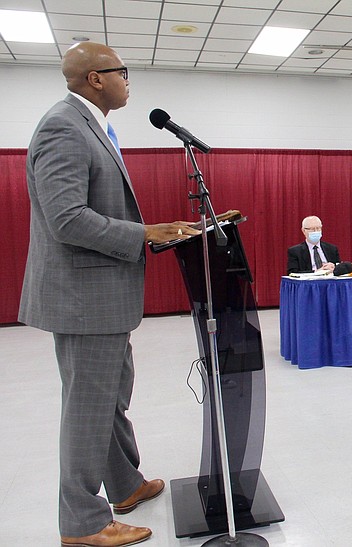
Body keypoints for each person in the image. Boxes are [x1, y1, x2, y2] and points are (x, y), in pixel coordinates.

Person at [17, 42, 201, 547]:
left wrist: (156, 233)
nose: (128, 80)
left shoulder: (91, 126)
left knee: (111, 399)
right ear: (95, 78)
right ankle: (83, 524)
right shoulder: (63, 126)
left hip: (100, 297)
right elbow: (67, 218)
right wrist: (144, 233)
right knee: (87, 409)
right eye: (123, 72)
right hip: (83, 300)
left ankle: (124, 485)